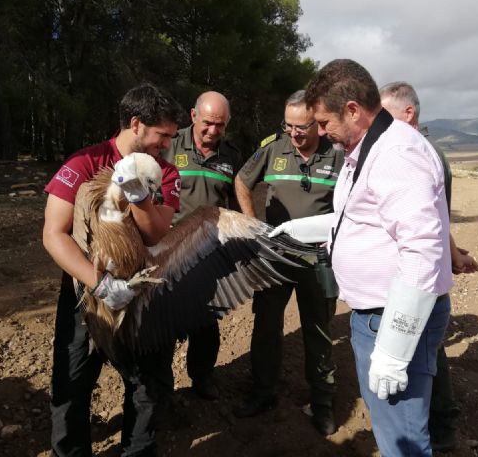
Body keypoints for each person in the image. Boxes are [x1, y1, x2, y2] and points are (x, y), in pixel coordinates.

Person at [270, 60, 452, 456]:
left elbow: (421, 251)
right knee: (390, 425)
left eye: (322, 121)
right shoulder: (368, 148)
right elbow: (356, 216)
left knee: (402, 439)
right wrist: (298, 230)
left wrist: (393, 350)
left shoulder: (395, 154)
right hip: (375, 315)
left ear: (352, 109)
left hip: (392, 318)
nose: (319, 132)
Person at [43, 83, 184, 456]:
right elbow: (54, 234)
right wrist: (100, 285)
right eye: (162, 135)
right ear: (136, 124)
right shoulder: (84, 164)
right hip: (85, 297)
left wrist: (140, 196)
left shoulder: (165, 173)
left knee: (147, 386)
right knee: (71, 384)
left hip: (143, 295)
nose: (167, 144)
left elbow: (157, 233)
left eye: (171, 136)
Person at [232, 90, 344, 435]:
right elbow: (241, 181)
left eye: (302, 127)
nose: (294, 133)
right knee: (266, 327)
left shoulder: (338, 156)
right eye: (288, 125)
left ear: (319, 124)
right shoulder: (274, 147)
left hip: (318, 259)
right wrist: (253, 227)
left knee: (319, 332)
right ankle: (263, 393)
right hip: (276, 256)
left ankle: (323, 404)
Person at [380, 81, 478, 451]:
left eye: (385, 116)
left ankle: (438, 429)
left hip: (416, 279)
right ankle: (436, 426)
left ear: (409, 114)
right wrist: (453, 254)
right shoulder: (404, 151)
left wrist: (449, 256)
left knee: (423, 354)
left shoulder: (421, 154)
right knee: (425, 353)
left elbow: (432, 222)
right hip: (414, 273)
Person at [160, 91, 242, 401]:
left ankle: (202, 376)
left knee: (206, 322)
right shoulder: (168, 145)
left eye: (220, 126)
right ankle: (161, 386)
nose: (213, 132)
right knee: (165, 322)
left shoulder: (231, 155)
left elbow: (235, 201)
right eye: (207, 123)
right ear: (193, 116)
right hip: (168, 249)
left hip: (210, 252)